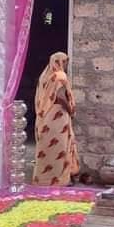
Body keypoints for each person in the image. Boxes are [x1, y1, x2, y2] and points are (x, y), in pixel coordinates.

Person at [32, 52, 79, 187]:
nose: (66, 65)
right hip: (58, 117)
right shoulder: (60, 76)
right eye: (65, 62)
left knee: (47, 150)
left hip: (46, 118)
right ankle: (60, 180)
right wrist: (70, 110)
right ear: (60, 62)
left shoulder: (44, 76)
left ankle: (43, 180)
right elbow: (61, 98)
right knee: (60, 149)